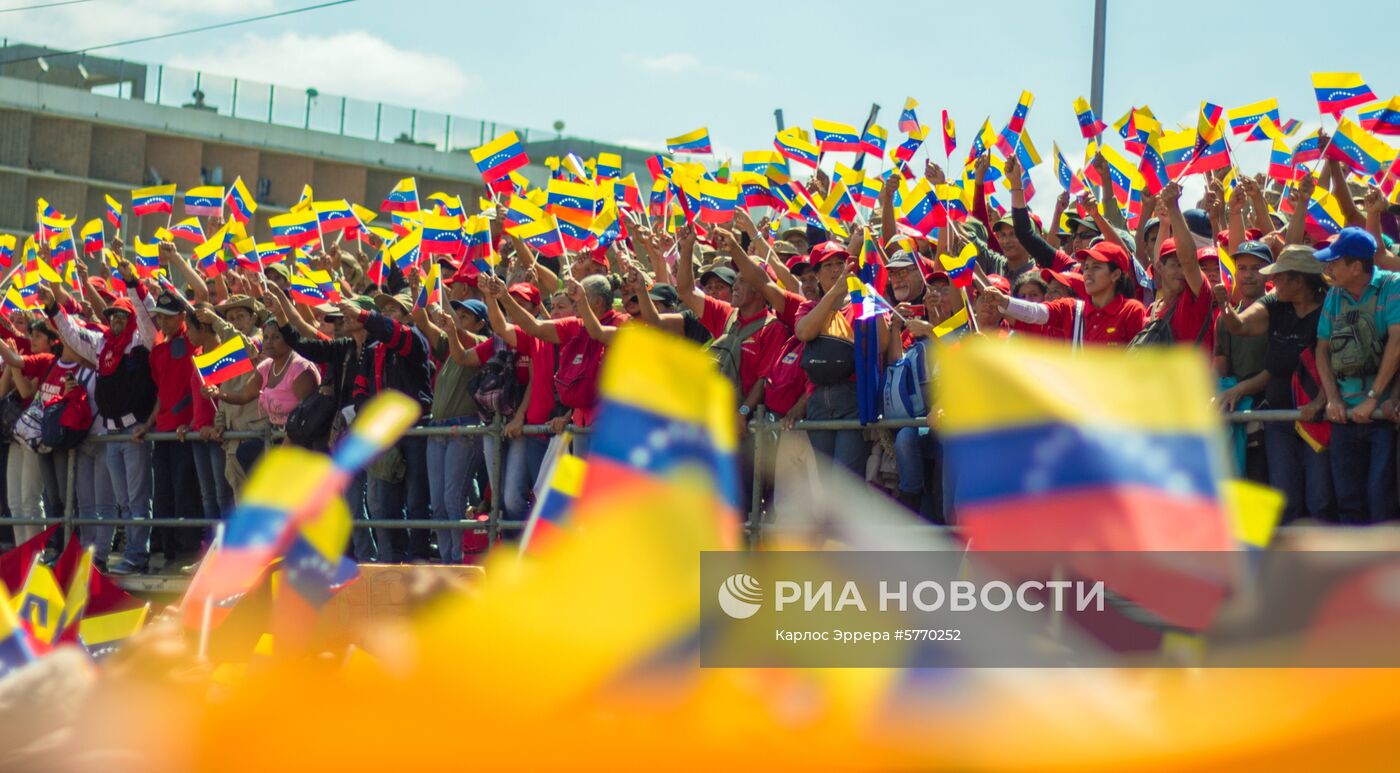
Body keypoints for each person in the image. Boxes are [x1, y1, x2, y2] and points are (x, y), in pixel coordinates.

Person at [44, 260, 156, 575]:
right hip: (110, 433)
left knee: (137, 498)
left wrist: (131, 281)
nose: (116, 320)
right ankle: (117, 554)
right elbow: (71, 333)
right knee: (122, 499)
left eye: (121, 315)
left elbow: (146, 314)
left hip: (134, 430)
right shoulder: (104, 344)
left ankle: (137, 555)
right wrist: (53, 305)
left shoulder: (141, 341)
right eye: (112, 316)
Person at [1217, 245, 1332, 522]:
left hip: (1319, 420)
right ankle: (1290, 564)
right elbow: (1240, 326)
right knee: (1285, 502)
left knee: (1321, 500)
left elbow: (1334, 365)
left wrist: (1320, 402)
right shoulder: (1274, 304)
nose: (1273, 281)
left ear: (1299, 280)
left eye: (1279, 276)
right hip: (1279, 419)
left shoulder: (1332, 307)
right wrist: (1223, 305)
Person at [275, 292, 377, 562]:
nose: (344, 317)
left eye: (351, 312)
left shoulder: (379, 347)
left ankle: (370, 560)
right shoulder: (343, 347)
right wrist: (281, 307)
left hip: (372, 437)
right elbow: (302, 343)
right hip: (344, 437)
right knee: (348, 503)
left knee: (369, 504)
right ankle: (354, 557)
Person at [1314, 228, 1400, 524]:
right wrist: (1333, 399)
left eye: (1334, 263)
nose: (1329, 269)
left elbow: (1397, 343)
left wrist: (1374, 399)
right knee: (1348, 503)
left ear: (1355, 267)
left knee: (1381, 501)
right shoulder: (1335, 296)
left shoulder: (1393, 286)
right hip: (1345, 419)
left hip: (1382, 418)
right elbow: (1321, 349)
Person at [793, 232, 889, 475]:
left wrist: (871, 299)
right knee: (827, 486)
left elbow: (882, 344)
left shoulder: (862, 301)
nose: (836, 270)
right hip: (817, 404)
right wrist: (836, 292)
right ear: (815, 274)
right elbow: (804, 332)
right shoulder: (809, 306)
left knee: (845, 480)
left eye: (840, 263)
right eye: (828, 265)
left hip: (853, 398)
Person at [349, 292, 435, 562]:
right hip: (384, 434)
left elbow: (393, 333)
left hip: (414, 430)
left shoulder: (413, 340)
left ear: (408, 317)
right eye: (383, 309)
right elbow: (360, 389)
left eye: (394, 310)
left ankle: (417, 556)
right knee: (383, 502)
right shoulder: (373, 350)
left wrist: (365, 316)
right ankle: (390, 557)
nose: (386, 313)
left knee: (416, 498)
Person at [416, 299, 489, 564]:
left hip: (463, 429)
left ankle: (459, 560)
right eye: (457, 314)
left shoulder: (481, 342)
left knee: (453, 498)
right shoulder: (451, 343)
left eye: (465, 316)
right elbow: (421, 320)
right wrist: (419, 290)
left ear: (481, 324)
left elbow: (462, 336)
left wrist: (451, 325)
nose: (458, 319)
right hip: (438, 430)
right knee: (438, 502)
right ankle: (447, 561)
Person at [984, 241, 1147, 345]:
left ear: (1116, 274)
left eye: (1096, 267)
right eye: (1087, 267)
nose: (1088, 273)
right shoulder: (1070, 309)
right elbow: (1037, 312)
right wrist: (1004, 301)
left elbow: (1141, 360)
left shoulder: (1131, 311)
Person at [1213, 240, 1273, 483]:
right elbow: (1221, 362)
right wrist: (1219, 392)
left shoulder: (1281, 311)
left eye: (1256, 268)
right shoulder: (1224, 317)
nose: (1248, 275)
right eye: (1242, 268)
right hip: (1237, 408)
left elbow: (1277, 368)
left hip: (1273, 408)